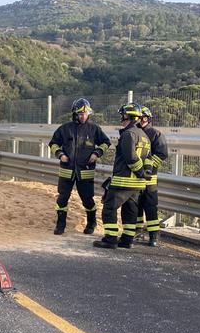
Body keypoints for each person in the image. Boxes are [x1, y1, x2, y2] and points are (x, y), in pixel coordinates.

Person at [48, 98, 111, 235]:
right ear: (75, 114)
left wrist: (96, 153)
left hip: (85, 172)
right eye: (81, 114)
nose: (83, 116)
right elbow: (53, 143)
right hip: (66, 171)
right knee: (62, 199)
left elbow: (106, 142)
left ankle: (91, 223)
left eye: (86, 113)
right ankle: (60, 225)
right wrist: (60, 155)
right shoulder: (65, 129)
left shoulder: (94, 129)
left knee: (87, 200)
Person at [93, 103, 152, 249]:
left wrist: (139, 172)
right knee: (130, 210)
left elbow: (130, 157)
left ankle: (110, 238)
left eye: (123, 116)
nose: (121, 119)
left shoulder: (128, 134)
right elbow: (149, 158)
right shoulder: (145, 136)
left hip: (123, 181)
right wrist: (145, 173)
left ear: (129, 116)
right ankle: (127, 240)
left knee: (109, 208)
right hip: (137, 185)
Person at [135, 105, 169, 247]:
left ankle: (153, 236)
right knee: (136, 207)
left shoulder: (156, 134)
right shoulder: (133, 132)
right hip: (135, 177)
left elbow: (162, 153)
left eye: (145, 118)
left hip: (149, 179)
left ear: (149, 119)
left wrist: (148, 165)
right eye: (140, 118)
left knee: (150, 207)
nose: (142, 120)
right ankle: (136, 233)